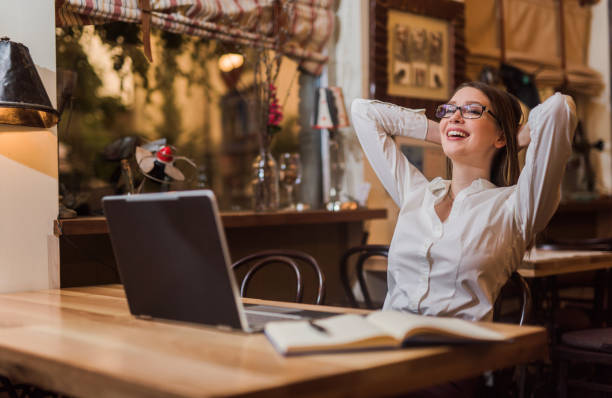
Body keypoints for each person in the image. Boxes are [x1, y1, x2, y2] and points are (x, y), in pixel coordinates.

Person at [351, 81, 577, 322]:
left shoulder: (516, 206)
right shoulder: (417, 194)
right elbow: (363, 112)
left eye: (471, 110)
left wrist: (514, 137)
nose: (455, 116)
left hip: (460, 349)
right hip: (390, 339)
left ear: (499, 135)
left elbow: (560, 108)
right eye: (449, 110)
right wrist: (445, 132)